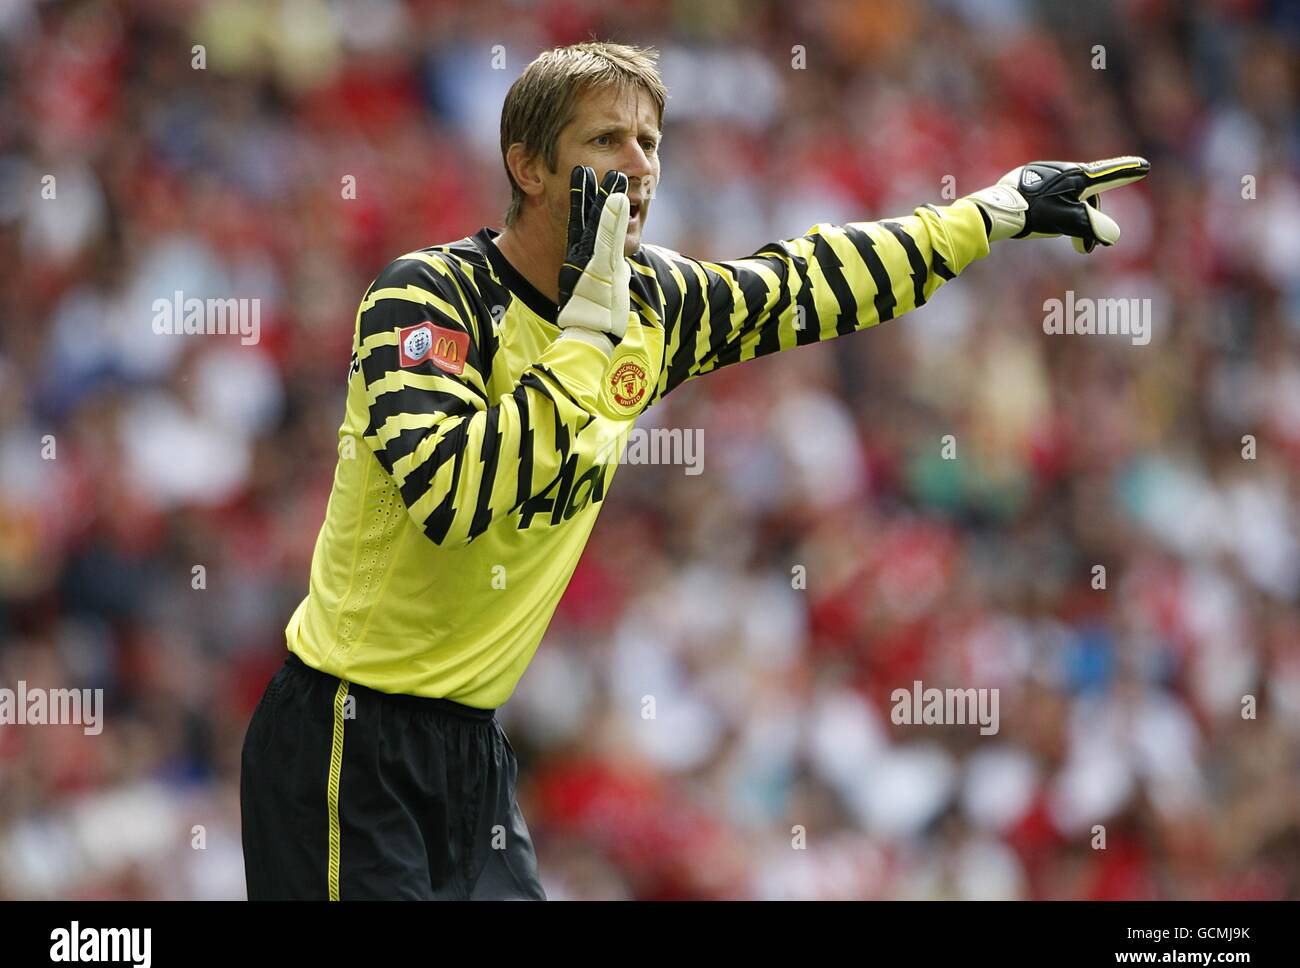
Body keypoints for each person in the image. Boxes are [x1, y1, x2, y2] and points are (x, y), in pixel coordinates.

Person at [239, 40, 1150, 900]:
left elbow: (808, 282)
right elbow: (454, 495)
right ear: (527, 164)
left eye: (649, 142)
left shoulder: (651, 304)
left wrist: (983, 216)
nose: (637, 165)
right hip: (346, 739)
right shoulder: (428, 294)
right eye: (605, 139)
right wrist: (588, 332)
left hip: (471, 744)